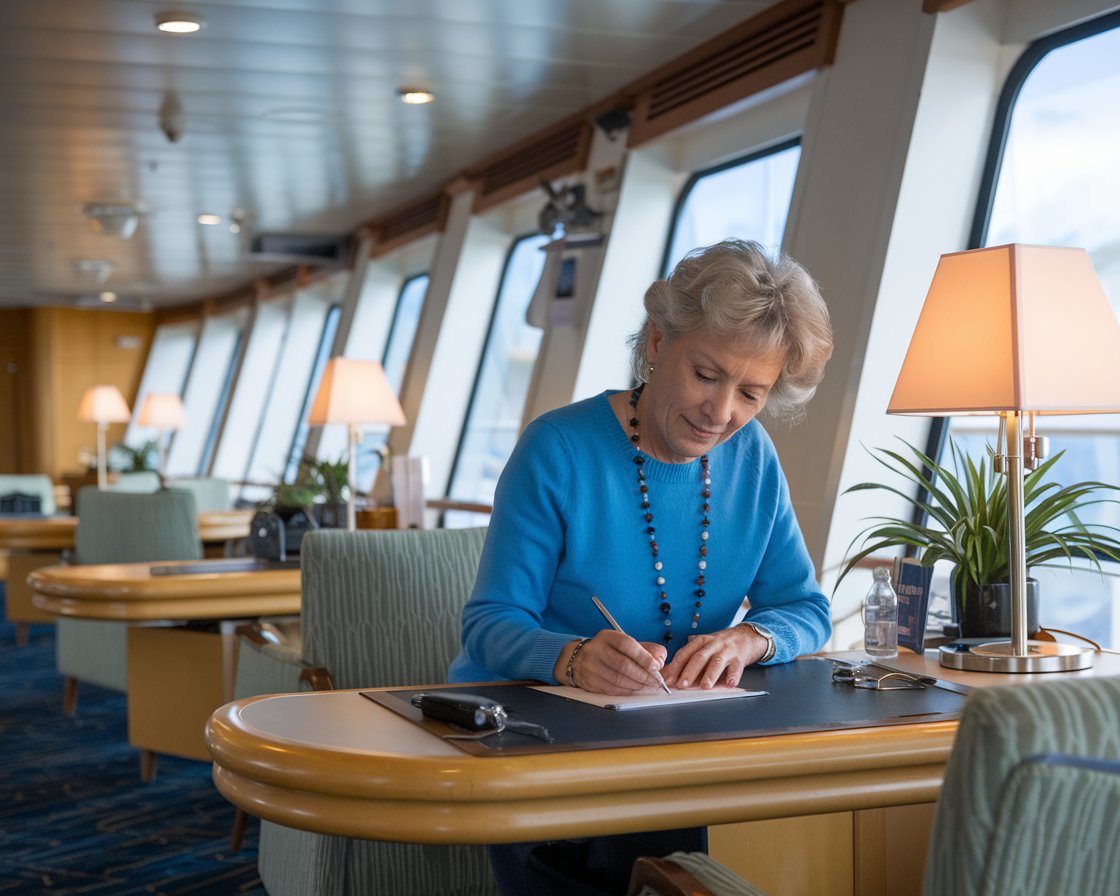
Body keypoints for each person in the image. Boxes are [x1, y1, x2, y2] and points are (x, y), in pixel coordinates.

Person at [447, 238, 834, 895]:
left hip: (677, 745)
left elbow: (805, 610)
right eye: (707, 375)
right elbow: (489, 624)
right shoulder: (558, 448)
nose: (721, 413)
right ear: (657, 344)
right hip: (538, 746)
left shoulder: (754, 457)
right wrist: (572, 657)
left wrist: (752, 637)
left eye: (751, 393)